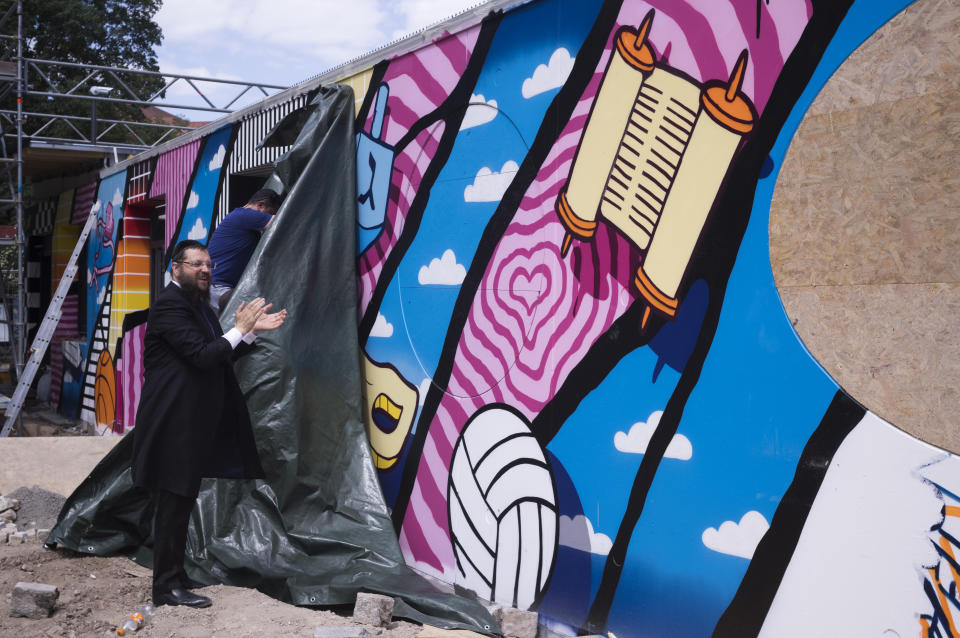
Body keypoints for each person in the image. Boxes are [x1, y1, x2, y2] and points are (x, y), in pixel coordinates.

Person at [131, 239, 286, 609]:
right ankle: (166, 587)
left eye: (209, 265)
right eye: (196, 264)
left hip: (189, 423)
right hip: (171, 422)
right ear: (175, 268)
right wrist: (238, 330)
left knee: (182, 499)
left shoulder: (196, 306)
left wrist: (249, 333)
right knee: (172, 502)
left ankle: (176, 575)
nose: (205, 270)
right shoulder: (169, 306)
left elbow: (219, 350)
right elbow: (203, 356)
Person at [207, 188, 282, 314]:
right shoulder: (246, 215)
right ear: (260, 205)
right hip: (219, 288)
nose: (267, 217)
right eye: (269, 213)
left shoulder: (238, 216)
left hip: (217, 287)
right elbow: (282, 221)